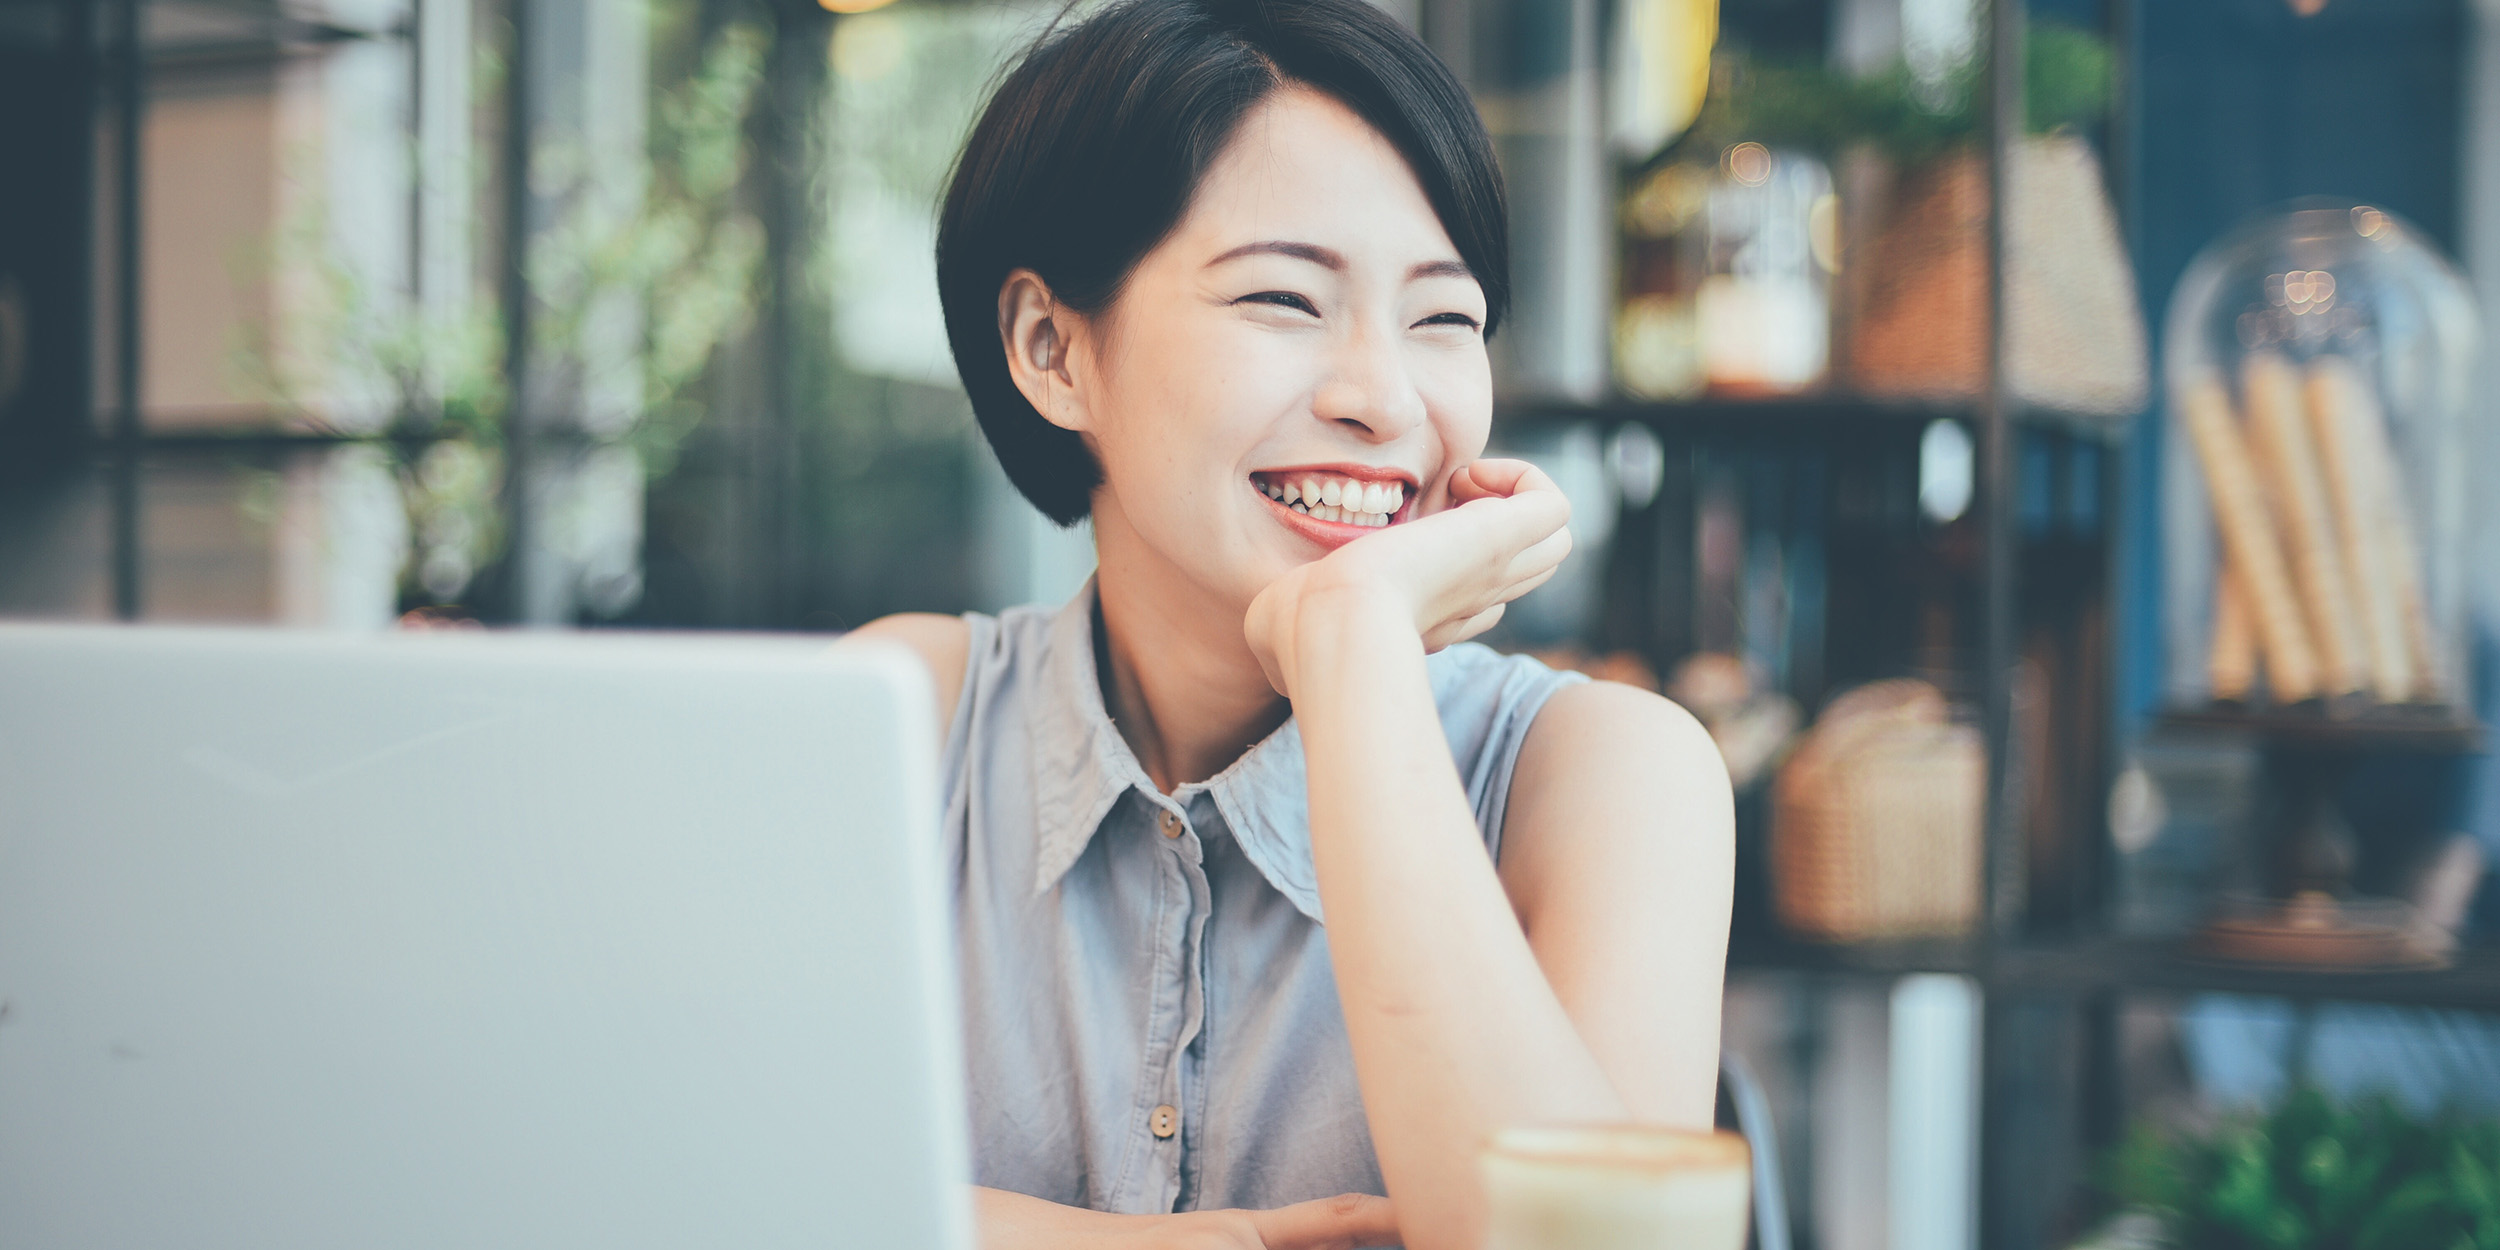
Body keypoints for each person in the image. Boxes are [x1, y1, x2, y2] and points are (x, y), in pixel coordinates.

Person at [843, 0, 1733, 1245]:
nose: (1380, 396)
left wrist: (1356, 644)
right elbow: (666, 1189)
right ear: (1052, 348)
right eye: (1283, 298)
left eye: (1443, 318)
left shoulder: (1607, 776)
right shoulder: (900, 718)